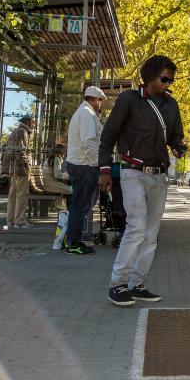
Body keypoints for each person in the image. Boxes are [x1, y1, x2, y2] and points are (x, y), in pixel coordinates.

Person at [99, 56, 186, 306]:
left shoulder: (172, 105)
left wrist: (179, 147)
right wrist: (104, 171)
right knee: (136, 227)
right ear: (150, 75)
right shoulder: (129, 99)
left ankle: (136, 283)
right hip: (132, 172)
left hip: (159, 175)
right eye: (165, 78)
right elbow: (107, 138)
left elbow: (176, 136)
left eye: (171, 79)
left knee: (151, 233)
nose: (169, 83)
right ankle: (117, 284)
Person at [64, 85, 107, 255]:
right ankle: (73, 243)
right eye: (100, 101)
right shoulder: (87, 115)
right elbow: (89, 142)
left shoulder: (83, 112)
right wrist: (96, 165)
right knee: (81, 205)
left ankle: (73, 240)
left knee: (80, 204)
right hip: (84, 166)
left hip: (79, 164)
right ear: (95, 99)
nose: (101, 104)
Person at [2, 116, 35, 229]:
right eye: (33, 123)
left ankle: (10, 221)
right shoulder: (22, 132)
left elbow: (9, 151)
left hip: (13, 168)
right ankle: (19, 221)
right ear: (27, 122)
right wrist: (27, 166)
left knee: (13, 195)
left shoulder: (14, 132)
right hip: (21, 169)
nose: (33, 125)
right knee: (22, 194)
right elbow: (20, 151)